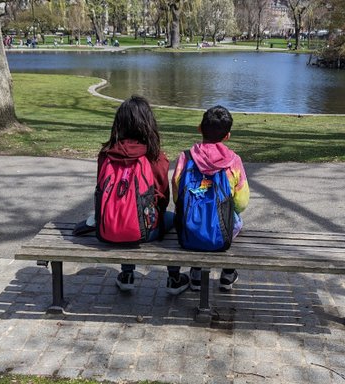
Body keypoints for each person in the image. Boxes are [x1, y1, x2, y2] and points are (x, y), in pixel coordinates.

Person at [98, 96, 190, 295]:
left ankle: (127, 274)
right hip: (145, 232)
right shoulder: (155, 156)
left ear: (119, 124)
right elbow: (162, 198)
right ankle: (174, 278)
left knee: (125, 215)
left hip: (106, 228)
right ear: (148, 124)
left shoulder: (106, 154)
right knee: (172, 220)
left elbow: (100, 191)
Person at [171, 106, 250, 291]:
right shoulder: (234, 161)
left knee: (194, 219)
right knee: (236, 221)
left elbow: (177, 193)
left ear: (199, 128)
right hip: (220, 232)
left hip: (190, 227)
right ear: (227, 136)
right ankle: (228, 274)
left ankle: (196, 274)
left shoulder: (186, 157)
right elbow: (241, 202)